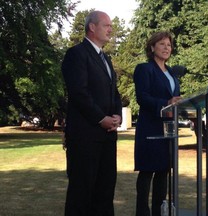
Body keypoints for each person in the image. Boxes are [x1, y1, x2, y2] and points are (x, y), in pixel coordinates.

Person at [61, 10, 122, 216]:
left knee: (105, 192)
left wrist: (117, 115)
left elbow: (114, 92)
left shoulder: (106, 58)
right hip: (85, 137)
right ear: (92, 27)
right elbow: (79, 93)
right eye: (106, 25)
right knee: (82, 193)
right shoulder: (76, 54)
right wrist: (100, 118)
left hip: (107, 138)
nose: (110, 29)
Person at [133, 31, 182, 216]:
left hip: (168, 128)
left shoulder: (171, 73)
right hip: (150, 127)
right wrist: (166, 103)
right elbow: (142, 97)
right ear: (152, 47)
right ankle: (142, 213)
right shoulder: (144, 69)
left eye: (169, 45)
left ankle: (159, 211)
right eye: (162, 44)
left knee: (163, 171)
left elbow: (174, 98)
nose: (166, 48)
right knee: (147, 171)